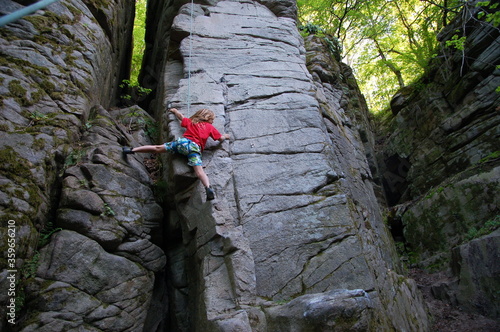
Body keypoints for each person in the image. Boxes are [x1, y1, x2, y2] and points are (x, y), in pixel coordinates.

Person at [123, 107, 230, 200]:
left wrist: (174, 110)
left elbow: (180, 117)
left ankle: (131, 150)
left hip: (182, 143)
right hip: (194, 149)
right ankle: (208, 188)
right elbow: (219, 138)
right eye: (212, 119)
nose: (213, 122)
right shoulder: (210, 127)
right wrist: (225, 136)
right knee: (199, 171)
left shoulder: (192, 122)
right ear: (208, 118)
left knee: (157, 148)